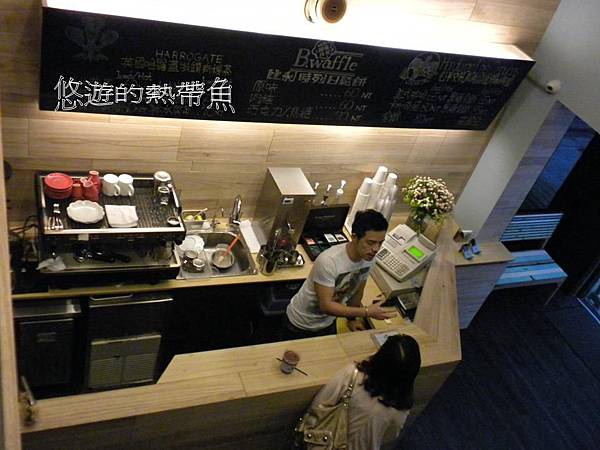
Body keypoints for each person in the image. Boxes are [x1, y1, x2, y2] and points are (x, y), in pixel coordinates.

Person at [282, 209, 397, 340]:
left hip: (328, 323)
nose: (376, 249)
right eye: (370, 242)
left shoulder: (369, 259)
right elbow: (326, 306)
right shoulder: (329, 261)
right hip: (300, 324)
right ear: (355, 237)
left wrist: (352, 319)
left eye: (380, 243)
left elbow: (356, 292)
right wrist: (366, 312)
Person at [304, 334, 421, 450]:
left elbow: (318, 405)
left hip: (321, 443)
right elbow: (388, 438)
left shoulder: (352, 375)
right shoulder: (401, 410)